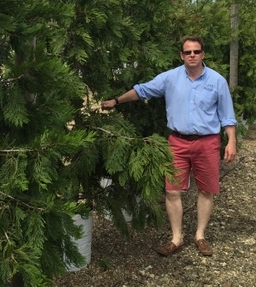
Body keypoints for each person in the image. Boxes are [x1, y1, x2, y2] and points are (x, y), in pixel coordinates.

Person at [101, 35, 237, 257]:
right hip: (177, 142)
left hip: (207, 142)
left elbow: (227, 115)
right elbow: (142, 90)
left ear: (203, 54)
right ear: (181, 55)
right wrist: (116, 101)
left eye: (196, 51)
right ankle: (176, 238)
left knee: (206, 190)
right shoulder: (170, 78)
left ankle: (200, 236)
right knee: (172, 190)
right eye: (187, 52)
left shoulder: (217, 81)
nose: (192, 55)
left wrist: (231, 141)